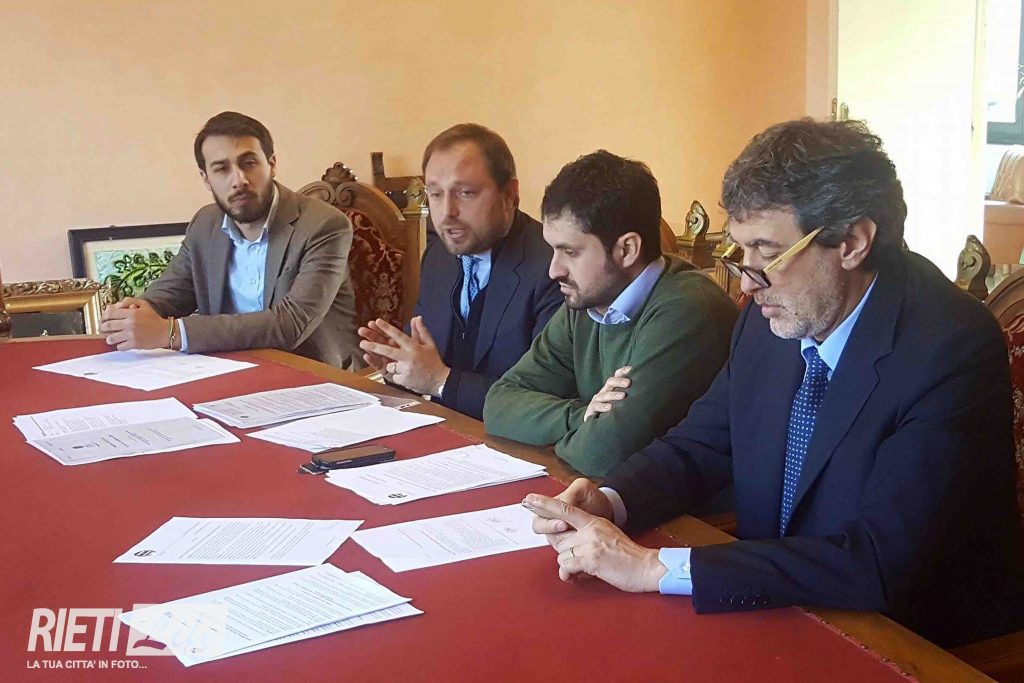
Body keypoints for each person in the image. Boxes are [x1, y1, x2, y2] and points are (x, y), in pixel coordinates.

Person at [525, 119, 1024, 648]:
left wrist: (654, 567)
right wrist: (611, 500)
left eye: (767, 251)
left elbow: (880, 559)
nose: (747, 279)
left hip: (913, 639)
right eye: (741, 251)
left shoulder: (948, 346)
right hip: (777, 605)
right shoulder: (774, 318)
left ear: (852, 242)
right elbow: (700, 446)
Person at [483, 150, 738, 476]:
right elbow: (498, 404)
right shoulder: (587, 301)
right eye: (553, 250)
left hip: (687, 507)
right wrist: (583, 416)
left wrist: (565, 430)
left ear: (627, 249)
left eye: (570, 252)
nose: (554, 270)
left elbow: (601, 453)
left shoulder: (689, 311)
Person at [99, 111, 358, 367]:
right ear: (206, 179)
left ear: (272, 164)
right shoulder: (205, 223)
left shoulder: (324, 225)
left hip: (309, 372)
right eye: (222, 169)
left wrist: (171, 333)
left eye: (249, 163)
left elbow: (291, 324)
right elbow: (172, 291)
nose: (239, 180)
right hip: (226, 368)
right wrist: (134, 313)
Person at [358, 124, 562, 419]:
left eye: (465, 193)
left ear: (510, 194)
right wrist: (399, 365)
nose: (446, 212)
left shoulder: (553, 268)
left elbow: (544, 401)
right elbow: (428, 363)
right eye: (435, 194)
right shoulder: (438, 257)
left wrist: (441, 381)